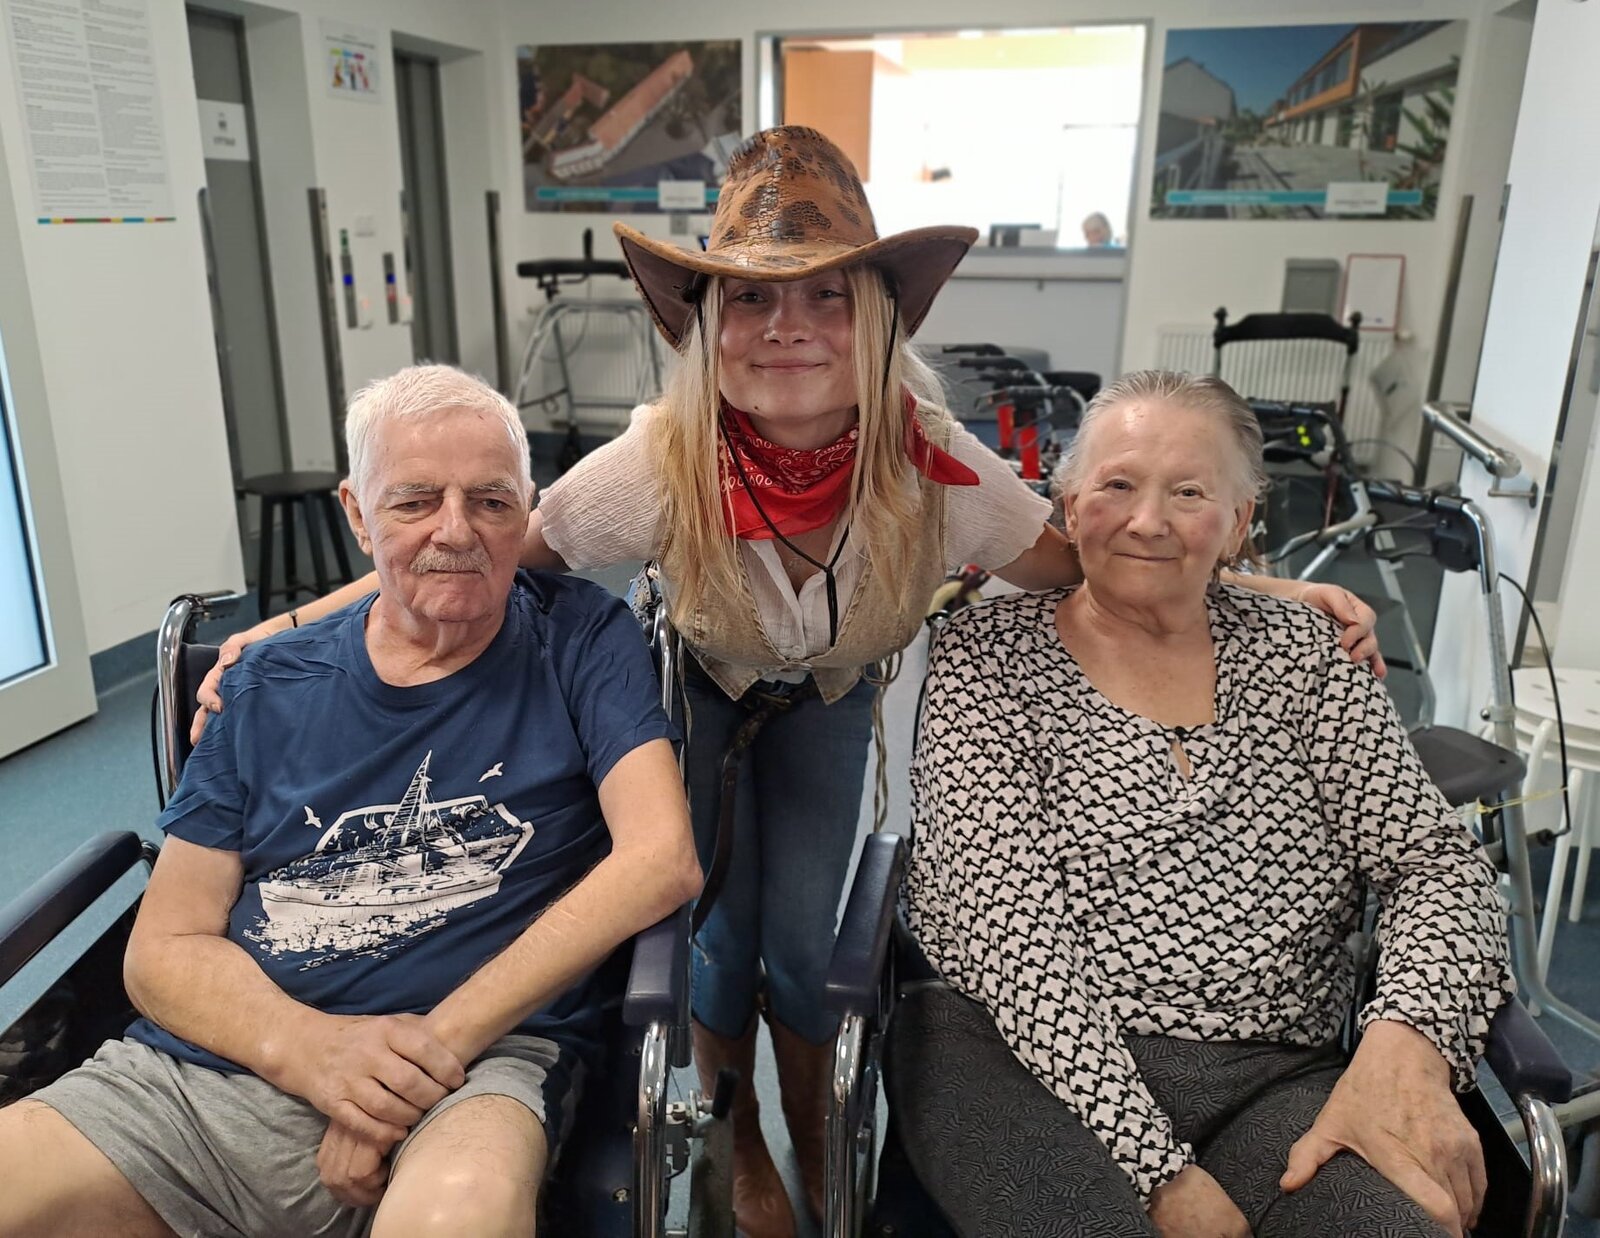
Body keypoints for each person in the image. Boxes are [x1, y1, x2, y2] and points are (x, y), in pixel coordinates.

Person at [190, 130, 1381, 1237]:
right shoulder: (659, 460)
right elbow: (481, 546)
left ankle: (812, 1128)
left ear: (876, 317)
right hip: (697, 692)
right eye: (752, 297)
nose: (787, 326)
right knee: (713, 934)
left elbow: (1080, 558)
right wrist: (287, 629)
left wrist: (1255, 585)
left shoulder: (927, 456)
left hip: (828, 698)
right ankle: (739, 1133)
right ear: (709, 322)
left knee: (808, 946)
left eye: (826, 295)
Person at [0, 365, 702, 1238]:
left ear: (526, 508)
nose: (457, 530)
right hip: (214, 1069)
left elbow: (661, 858)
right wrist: (320, 1056)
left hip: (473, 1072)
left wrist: (413, 1066)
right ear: (358, 513)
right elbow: (163, 948)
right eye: (415, 501)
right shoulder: (263, 683)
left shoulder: (582, 638)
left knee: (458, 1213)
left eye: (491, 501)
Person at [898, 370, 1512, 1238]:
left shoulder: (1307, 656)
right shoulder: (985, 656)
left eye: (1189, 493)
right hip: (1017, 1059)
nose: (1148, 520)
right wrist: (1162, 1175)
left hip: (1272, 1070)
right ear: (1068, 506)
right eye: (1117, 485)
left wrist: (1402, 1050)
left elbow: (1436, 868)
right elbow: (1011, 939)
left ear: (1239, 520)